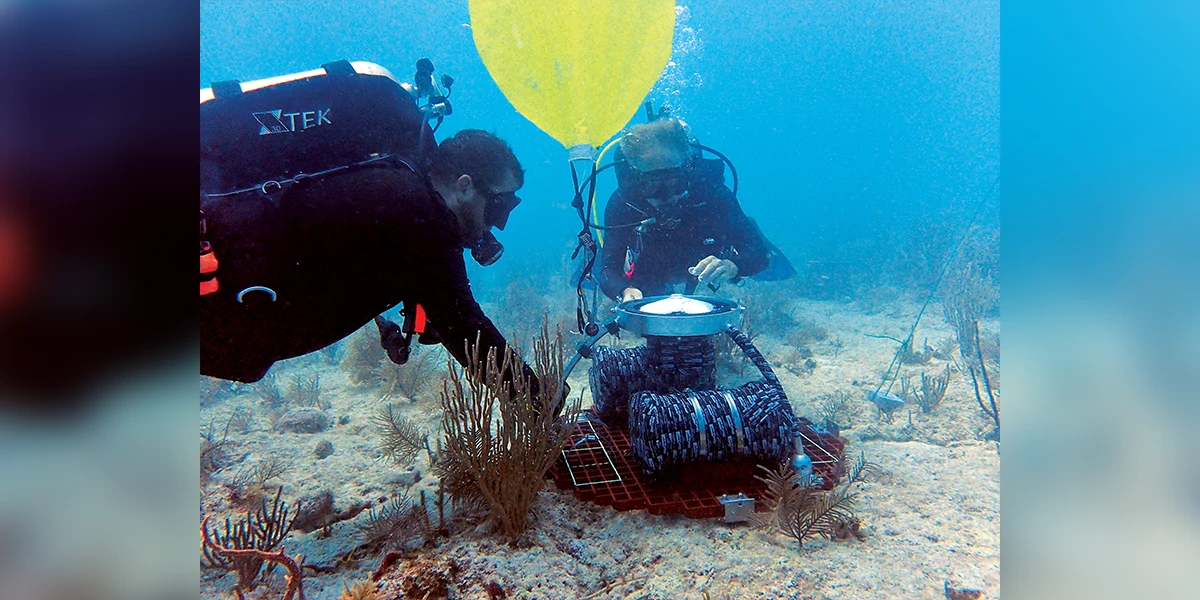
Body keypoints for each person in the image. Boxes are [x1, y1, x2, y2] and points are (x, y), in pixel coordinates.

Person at [200, 127, 534, 387]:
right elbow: (464, 327)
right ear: (464, 187)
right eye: (499, 205)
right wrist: (542, 399)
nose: (499, 224)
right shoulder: (422, 217)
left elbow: (341, 265)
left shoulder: (395, 191)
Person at [596, 118, 775, 302]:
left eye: (674, 183)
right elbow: (609, 270)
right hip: (650, 266)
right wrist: (624, 291)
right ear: (635, 180)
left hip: (703, 255)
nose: (666, 196)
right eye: (653, 186)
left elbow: (759, 252)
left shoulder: (711, 193)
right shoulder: (623, 204)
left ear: (687, 173)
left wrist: (731, 266)